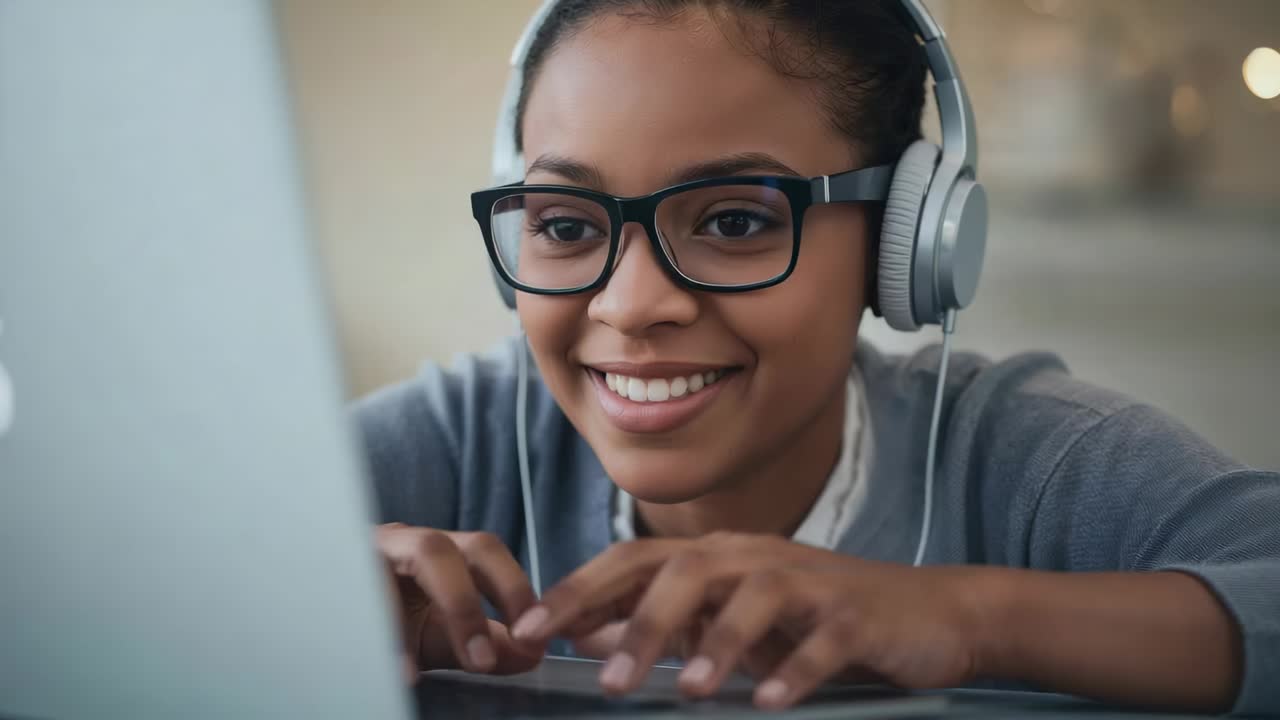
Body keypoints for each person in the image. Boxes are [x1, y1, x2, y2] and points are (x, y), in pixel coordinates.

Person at [355, 0, 1280, 714]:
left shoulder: (1028, 460)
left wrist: (966, 616)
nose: (629, 305)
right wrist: (296, 587)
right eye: (563, 224)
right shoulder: (465, 435)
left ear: (904, 243)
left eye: (734, 220)